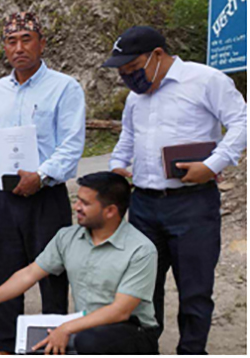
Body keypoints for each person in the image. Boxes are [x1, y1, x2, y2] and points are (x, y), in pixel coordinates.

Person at [101, 25, 247, 354]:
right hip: (143, 205)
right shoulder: (135, 97)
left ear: (157, 55)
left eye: (133, 68)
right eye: (123, 73)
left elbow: (242, 121)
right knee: (141, 288)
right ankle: (144, 349)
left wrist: (213, 164)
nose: (128, 77)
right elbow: (128, 136)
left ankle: (192, 350)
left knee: (195, 289)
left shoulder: (206, 80)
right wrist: (117, 164)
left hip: (192, 204)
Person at [0, 12, 86, 354]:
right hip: (5, 196)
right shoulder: (0, 89)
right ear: (5, 48)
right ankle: (4, 343)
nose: (19, 48)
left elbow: (71, 145)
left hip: (46, 196)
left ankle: (52, 343)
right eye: (12, 41)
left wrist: (41, 176)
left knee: (52, 273)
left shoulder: (64, 87)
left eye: (27, 39)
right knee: (1, 270)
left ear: (42, 43)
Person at [0, 172, 160, 355]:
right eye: (77, 200)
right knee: (36, 344)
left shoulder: (140, 249)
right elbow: (28, 275)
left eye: (85, 203)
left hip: (132, 330)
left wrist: (66, 328)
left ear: (110, 211)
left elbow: (120, 311)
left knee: (86, 342)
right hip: (85, 326)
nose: (77, 207)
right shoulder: (68, 237)